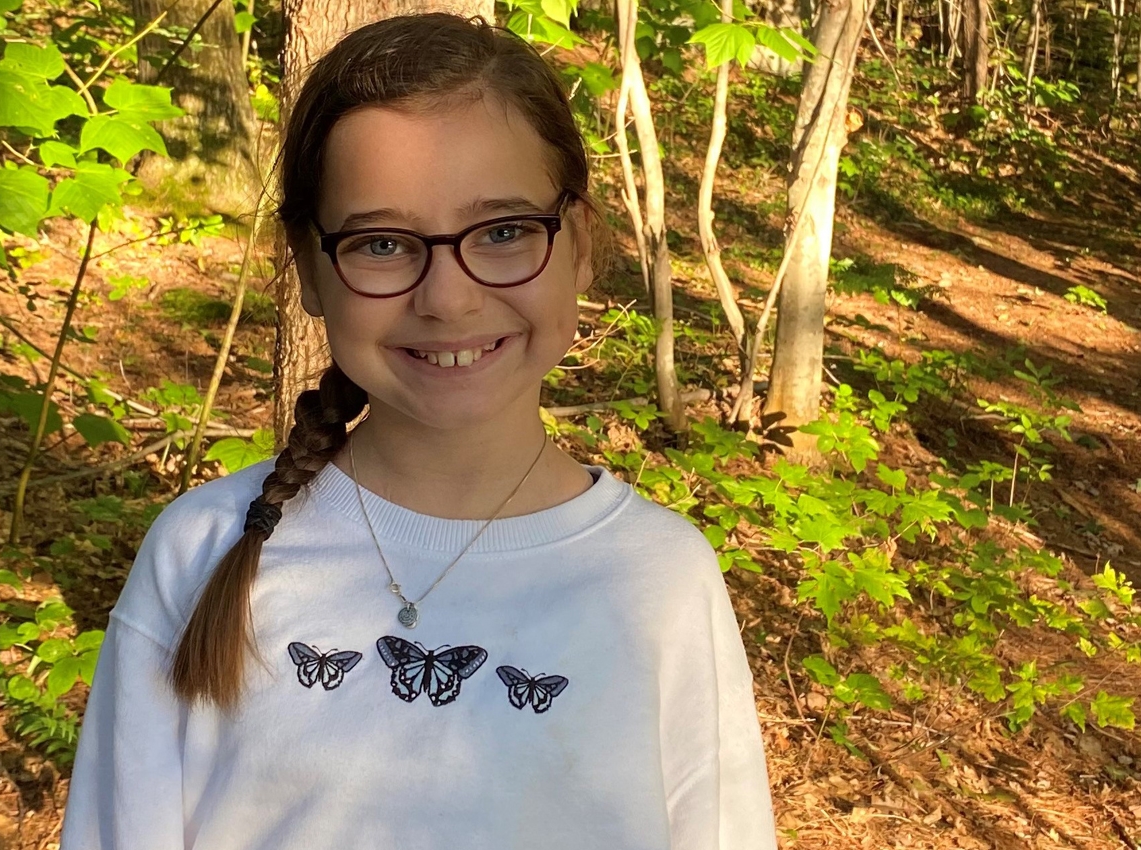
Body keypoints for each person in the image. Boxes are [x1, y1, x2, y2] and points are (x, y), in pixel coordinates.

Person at [58, 13, 774, 849]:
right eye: (383, 243)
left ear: (579, 243)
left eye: (504, 232)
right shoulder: (202, 551)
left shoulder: (658, 579)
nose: (447, 298)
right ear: (312, 271)